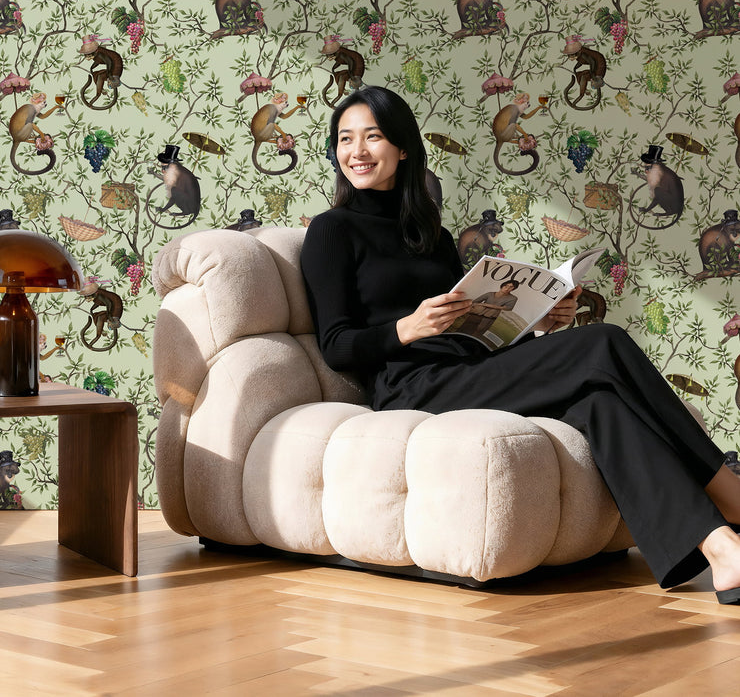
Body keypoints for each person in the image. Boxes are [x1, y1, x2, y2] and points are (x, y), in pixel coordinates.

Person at [300, 85, 740, 603]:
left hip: (467, 370)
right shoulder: (331, 231)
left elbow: (473, 330)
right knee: (605, 342)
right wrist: (407, 328)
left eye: (372, 137)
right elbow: (336, 345)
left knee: (600, 404)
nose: (357, 151)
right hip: (411, 386)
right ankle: (729, 491)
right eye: (345, 139)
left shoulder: (432, 237)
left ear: (401, 147)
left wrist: (535, 325)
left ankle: (722, 551)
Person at [455, 279, 519, 338]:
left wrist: (486, 305)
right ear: (502, 285)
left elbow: (508, 308)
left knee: (477, 334)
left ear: (514, 289)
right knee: (462, 330)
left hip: (489, 318)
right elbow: (474, 302)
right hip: (476, 315)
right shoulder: (490, 294)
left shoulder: (513, 298)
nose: (507, 288)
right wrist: (479, 306)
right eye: (506, 285)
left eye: (511, 287)